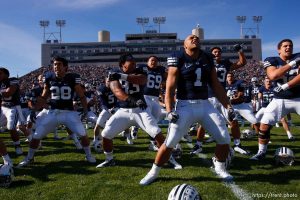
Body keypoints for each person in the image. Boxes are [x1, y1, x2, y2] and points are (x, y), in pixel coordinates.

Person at [140, 35, 235, 186]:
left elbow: (216, 85)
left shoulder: (207, 57)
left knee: (224, 138)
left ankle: (220, 167)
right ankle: (153, 171)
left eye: (196, 38)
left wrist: (228, 106)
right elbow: (170, 87)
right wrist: (170, 110)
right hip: (185, 105)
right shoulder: (177, 57)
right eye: (190, 38)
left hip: (205, 104)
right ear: (184, 45)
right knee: (170, 142)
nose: (194, 38)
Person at [96, 53, 181, 169]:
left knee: (156, 132)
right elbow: (117, 92)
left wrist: (122, 76)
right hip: (124, 110)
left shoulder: (139, 70)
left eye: (134, 61)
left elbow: (142, 80)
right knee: (106, 134)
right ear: (123, 64)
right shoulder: (113, 72)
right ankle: (109, 159)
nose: (134, 63)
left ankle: (169, 158)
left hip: (140, 110)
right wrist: (132, 100)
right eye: (131, 61)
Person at [17, 56, 96, 167]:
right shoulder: (49, 77)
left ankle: (88, 155)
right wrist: (33, 111)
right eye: (54, 64)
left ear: (65, 67)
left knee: (83, 134)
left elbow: (82, 96)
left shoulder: (73, 78)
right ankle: (29, 158)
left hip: (69, 112)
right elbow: (44, 96)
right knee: (36, 136)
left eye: (59, 64)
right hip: (53, 112)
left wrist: (86, 111)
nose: (56, 66)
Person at [190, 44, 247, 155]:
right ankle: (198, 145)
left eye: (218, 52)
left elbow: (242, 63)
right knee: (203, 123)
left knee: (233, 120)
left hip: (222, 97)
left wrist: (240, 51)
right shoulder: (206, 63)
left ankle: (237, 144)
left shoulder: (226, 64)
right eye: (214, 52)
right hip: (209, 96)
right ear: (211, 54)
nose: (217, 53)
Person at [251, 39, 300, 160]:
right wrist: (292, 64)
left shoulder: (299, 56)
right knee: (264, 124)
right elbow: (273, 75)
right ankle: (261, 152)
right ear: (279, 49)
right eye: (285, 46)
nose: (288, 47)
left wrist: (286, 85)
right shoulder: (271, 60)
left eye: (290, 46)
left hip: (298, 97)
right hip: (280, 99)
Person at [0, 67, 28, 156]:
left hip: (13, 107)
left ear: (6, 74)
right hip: (3, 107)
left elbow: (9, 92)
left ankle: (17, 145)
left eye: (0, 73)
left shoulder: (13, 80)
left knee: (12, 127)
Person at [92, 78, 118, 153]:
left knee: (122, 124)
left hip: (115, 108)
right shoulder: (101, 89)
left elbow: (119, 98)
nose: (109, 83)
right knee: (98, 124)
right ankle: (95, 139)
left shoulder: (116, 87)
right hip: (106, 109)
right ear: (105, 81)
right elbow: (103, 102)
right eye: (108, 81)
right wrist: (108, 109)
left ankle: (128, 137)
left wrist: (116, 107)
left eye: (111, 81)